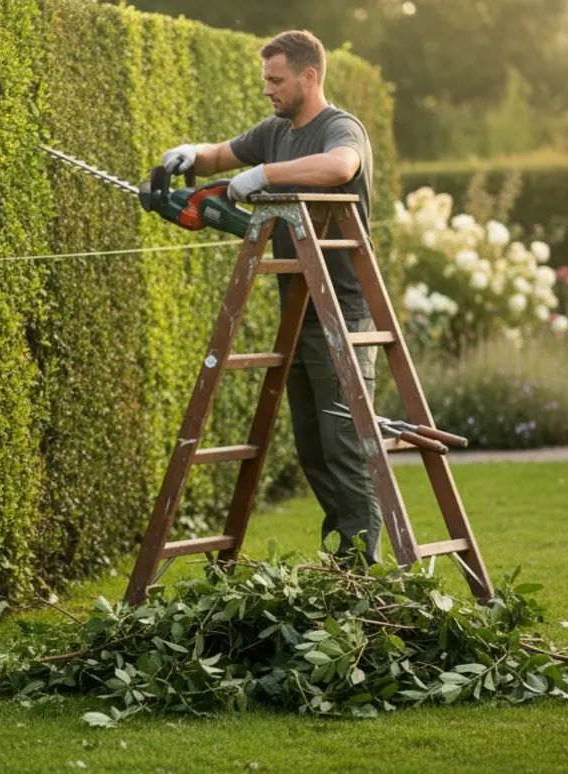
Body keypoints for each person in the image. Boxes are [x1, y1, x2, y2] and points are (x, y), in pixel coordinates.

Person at [159, 29, 382, 566]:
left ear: (310, 76)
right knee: (312, 446)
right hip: (300, 312)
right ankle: (342, 563)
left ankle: (364, 576)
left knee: (346, 447)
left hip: (344, 314)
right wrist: (190, 156)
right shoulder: (274, 130)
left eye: (276, 80)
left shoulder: (340, 129)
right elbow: (219, 157)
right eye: (265, 80)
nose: (268, 90)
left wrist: (263, 176)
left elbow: (340, 168)